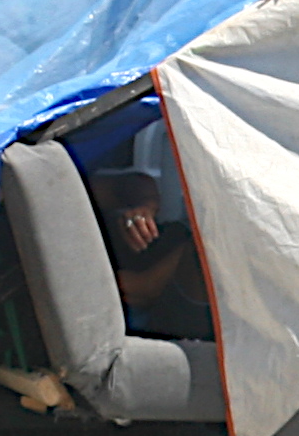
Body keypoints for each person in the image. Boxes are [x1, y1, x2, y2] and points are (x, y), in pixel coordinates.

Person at [88, 118, 213, 341]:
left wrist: (144, 207)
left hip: (159, 263)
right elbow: (137, 290)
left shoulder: (51, 190)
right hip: (136, 321)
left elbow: (134, 184)